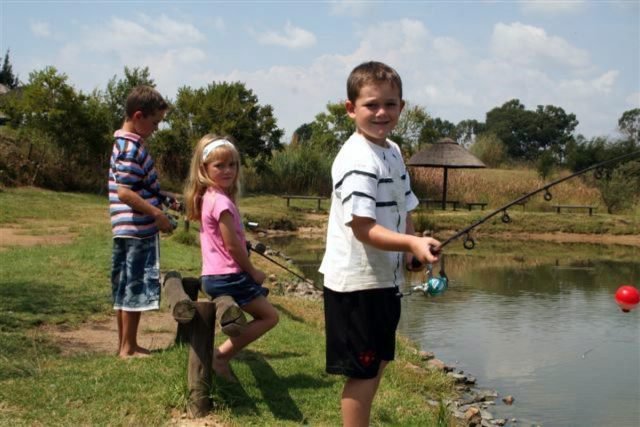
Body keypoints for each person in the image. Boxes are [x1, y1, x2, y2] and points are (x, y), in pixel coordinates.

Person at [319, 61, 441, 426]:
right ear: (350, 108)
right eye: (371, 104)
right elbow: (362, 227)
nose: (381, 112)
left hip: (383, 281)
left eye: (390, 104)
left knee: (377, 362)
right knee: (363, 371)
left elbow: (406, 204)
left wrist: (411, 249)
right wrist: (410, 243)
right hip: (357, 284)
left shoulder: (393, 150)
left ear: (402, 107)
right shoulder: (357, 159)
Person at [184, 134, 279, 382]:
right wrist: (254, 272)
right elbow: (233, 248)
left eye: (232, 165)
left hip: (212, 276)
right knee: (270, 317)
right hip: (227, 276)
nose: (227, 170)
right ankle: (221, 356)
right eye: (219, 165)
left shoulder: (208, 197)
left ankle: (220, 356)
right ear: (205, 169)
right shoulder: (222, 203)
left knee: (262, 309)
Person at [108, 85, 174, 358]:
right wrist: (157, 215)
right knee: (134, 288)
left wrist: (165, 197)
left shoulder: (124, 144)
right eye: (155, 122)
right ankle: (128, 348)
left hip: (127, 229)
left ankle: (127, 345)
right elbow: (125, 191)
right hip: (137, 230)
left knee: (125, 288)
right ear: (138, 116)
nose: (157, 128)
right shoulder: (130, 148)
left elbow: (136, 184)